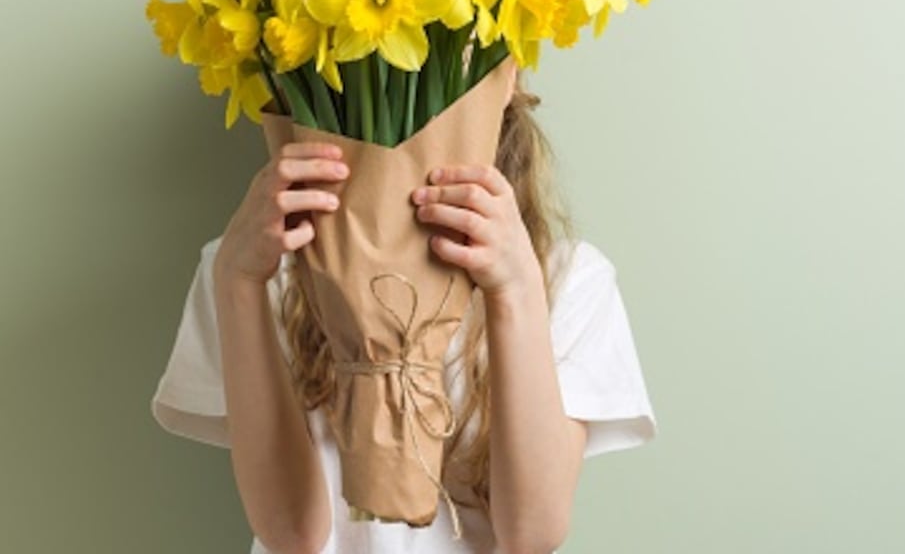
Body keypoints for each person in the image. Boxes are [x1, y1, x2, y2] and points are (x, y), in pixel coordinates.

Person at [150, 62, 658, 554]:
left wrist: (514, 289)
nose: (400, 69)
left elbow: (532, 532)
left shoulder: (564, 279)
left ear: (507, 73)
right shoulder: (257, 268)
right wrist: (238, 283)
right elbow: (291, 535)